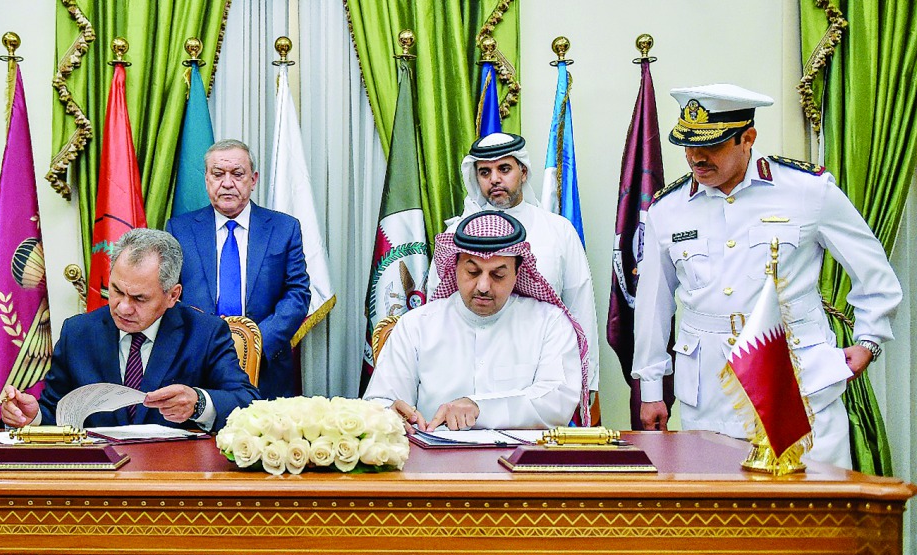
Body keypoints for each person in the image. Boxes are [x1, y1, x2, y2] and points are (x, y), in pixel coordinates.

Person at [632, 83, 902, 467]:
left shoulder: (807, 191)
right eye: (688, 145)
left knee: (816, 511)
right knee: (721, 516)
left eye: (712, 145)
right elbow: (652, 307)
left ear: (748, 138)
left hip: (798, 385)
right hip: (710, 392)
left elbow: (874, 272)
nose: (696, 157)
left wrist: (869, 340)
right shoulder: (668, 208)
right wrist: (651, 388)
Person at [0, 229, 257, 431]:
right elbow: (56, 413)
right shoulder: (78, 333)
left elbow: (247, 404)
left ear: (172, 296)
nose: (123, 308)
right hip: (97, 483)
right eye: (116, 291)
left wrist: (199, 403)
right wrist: (31, 417)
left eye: (139, 298)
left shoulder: (205, 334)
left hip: (175, 482)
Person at [365, 211, 588, 431]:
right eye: (472, 272)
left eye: (498, 275)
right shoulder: (416, 326)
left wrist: (480, 409)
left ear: (517, 272)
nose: (483, 286)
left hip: (520, 463)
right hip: (436, 463)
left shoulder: (550, 323)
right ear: (455, 267)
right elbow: (379, 402)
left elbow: (557, 401)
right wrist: (389, 415)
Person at [428, 133, 599, 396]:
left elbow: (580, 308)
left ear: (523, 171)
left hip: (540, 376)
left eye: (504, 169)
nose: (494, 179)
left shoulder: (558, 231)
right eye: (484, 172)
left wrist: (588, 386)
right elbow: (435, 313)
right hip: (466, 376)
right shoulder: (456, 236)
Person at [166, 139, 310, 400]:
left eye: (238, 174)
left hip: (267, 367)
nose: (228, 183)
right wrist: (204, 341)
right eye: (218, 174)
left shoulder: (283, 228)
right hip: (197, 366)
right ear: (207, 179)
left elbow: (297, 294)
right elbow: (169, 296)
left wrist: (254, 343)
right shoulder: (180, 230)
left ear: (253, 179)